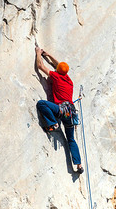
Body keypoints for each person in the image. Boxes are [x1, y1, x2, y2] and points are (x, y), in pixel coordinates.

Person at [35, 46, 83, 174]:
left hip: (61, 109)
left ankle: (53, 124)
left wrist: (38, 53)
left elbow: (40, 66)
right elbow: (59, 65)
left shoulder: (56, 76)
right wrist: (48, 54)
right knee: (71, 139)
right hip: (71, 114)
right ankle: (78, 165)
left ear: (58, 71)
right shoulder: (69, 80)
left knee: (41, 104)